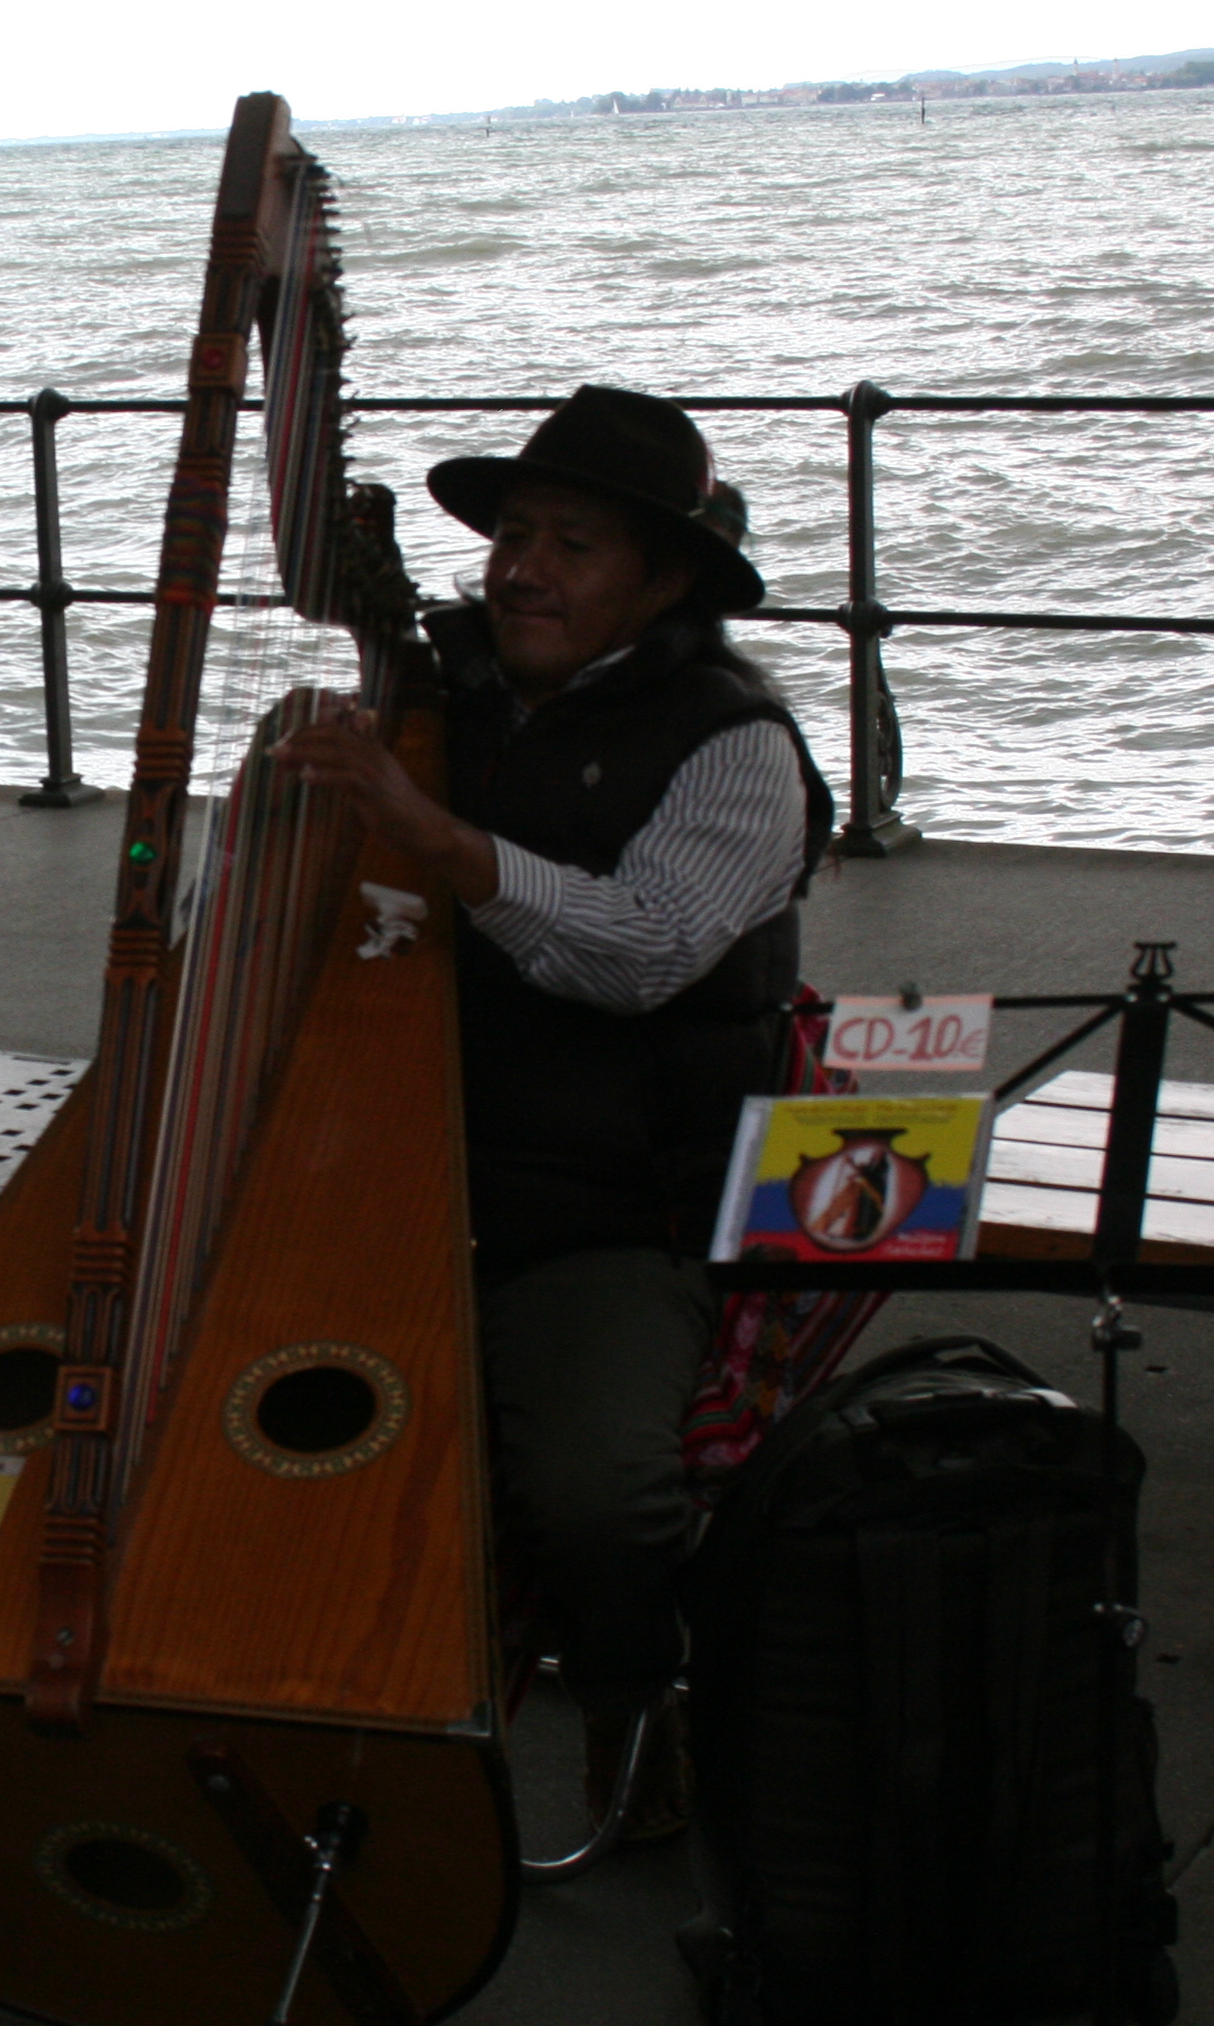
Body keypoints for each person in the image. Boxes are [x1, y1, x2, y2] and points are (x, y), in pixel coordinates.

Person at [273, 383, 829, 1833]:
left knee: (597, 1493)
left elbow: (643, 952)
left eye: (576, 545)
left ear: (665, 581)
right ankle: (274, 1671)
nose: (525, 570)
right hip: (394, 1157)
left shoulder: (733, 745)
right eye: (515, 534)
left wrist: (435, 837)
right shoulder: (437, 689)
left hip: (609, 1205)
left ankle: (644, 1716)